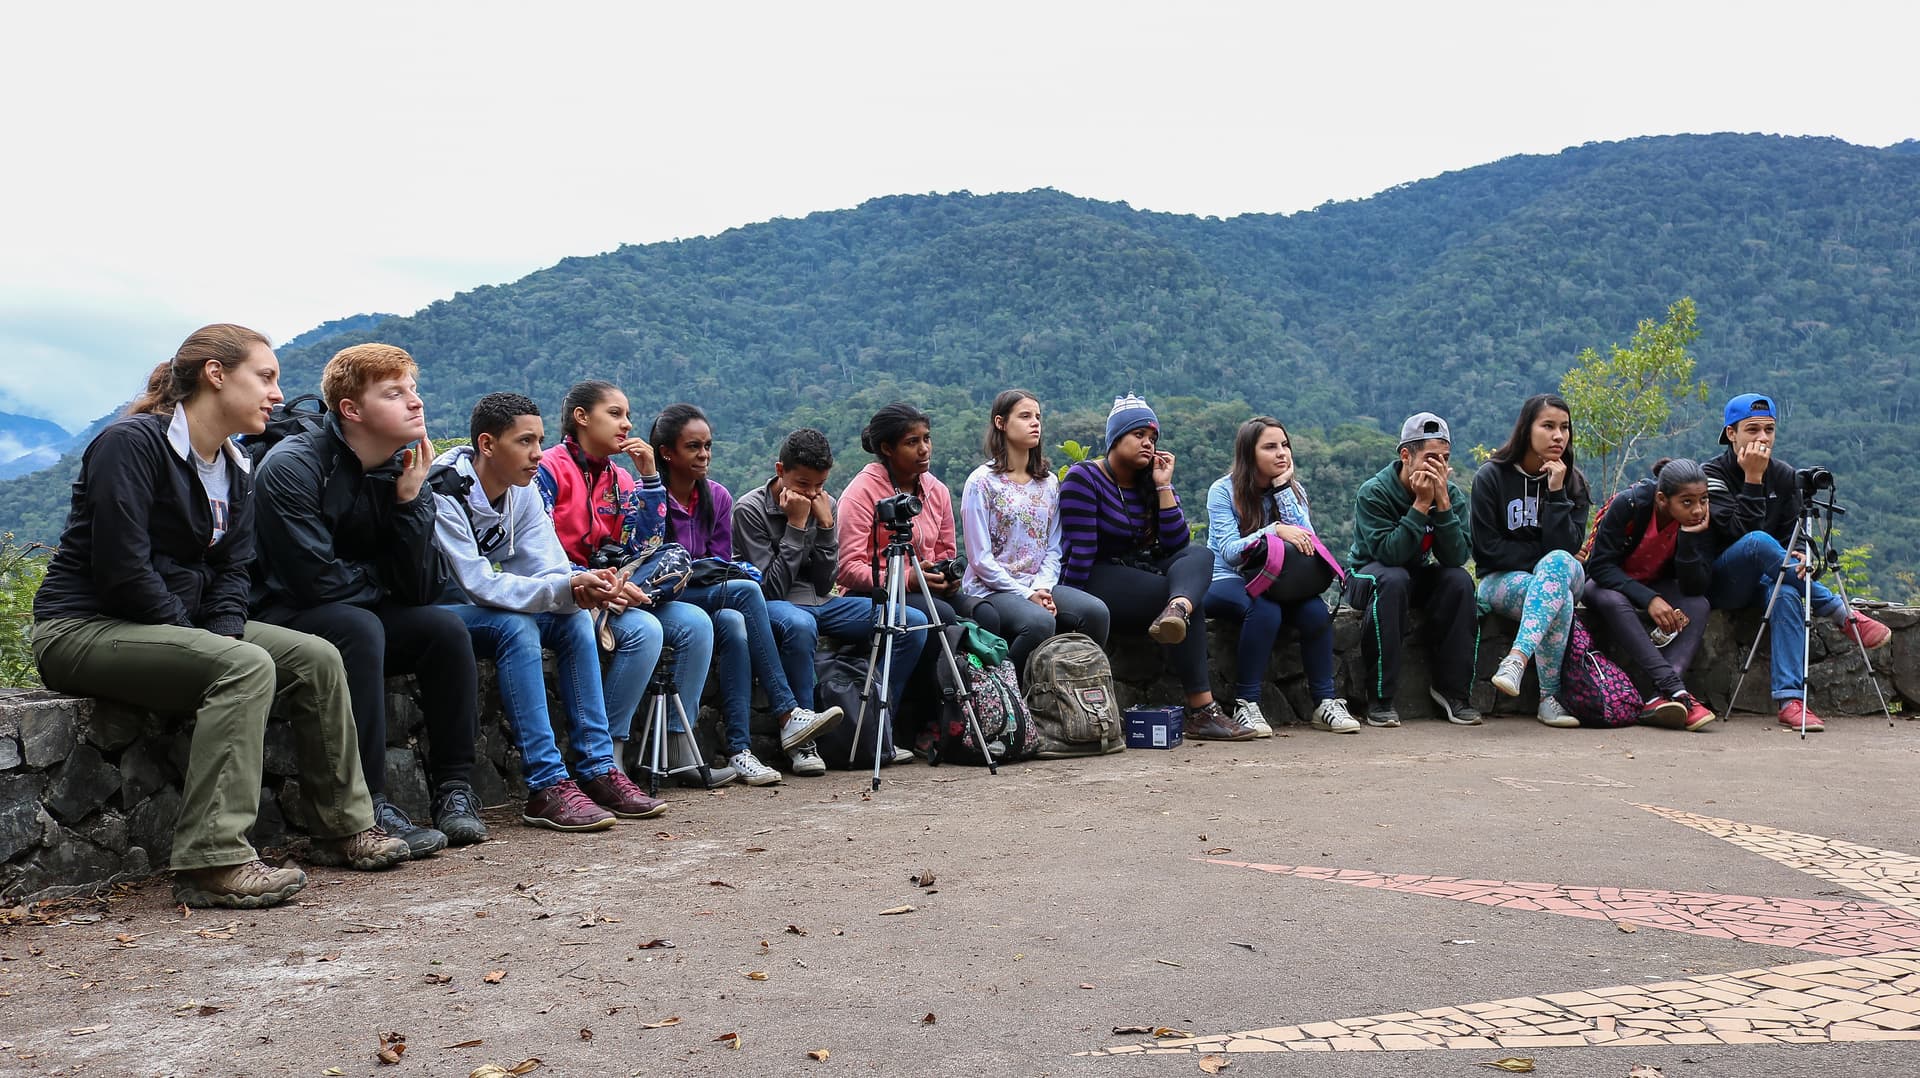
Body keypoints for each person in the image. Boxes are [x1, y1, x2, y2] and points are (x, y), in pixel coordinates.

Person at [33, 325, 408, 909]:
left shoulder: (234, 468)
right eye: (265, 377)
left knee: (316, 656)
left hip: (171, 625)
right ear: (215, 374)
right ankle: (216, 859)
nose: (278, 395)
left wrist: (221, 636)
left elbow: (235, 571)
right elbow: (122, 568)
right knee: (244, 667)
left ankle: (342, 827)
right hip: (85, 627)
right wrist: (203, 645)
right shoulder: (131, 444)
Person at [252, 343, 485, 856]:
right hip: (279, 613)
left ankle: (454, 790)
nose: (415, 402)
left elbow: (424, 589)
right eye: (394, 393)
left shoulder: (406, 471)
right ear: (351, 410)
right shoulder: (293, 466)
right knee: (360, 627)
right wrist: (381, 583)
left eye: (414, 390)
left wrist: (408, 503)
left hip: (351, 606)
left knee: (443, 629)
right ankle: (367, 806)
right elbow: (314, 582)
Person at [432, 393, 667, 829]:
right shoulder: (445, 489)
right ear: (487, 444)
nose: (538, 453)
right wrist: (565, 586)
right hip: (440, 612)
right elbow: (476, 582)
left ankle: (597, 769)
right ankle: (546, 784)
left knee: (574, 618)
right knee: (516, 630)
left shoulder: (519, 489)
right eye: (525, 442)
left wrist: (580, 589)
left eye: (539, 441)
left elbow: (549, 566)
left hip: (487, 605)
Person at [535, 381, 727, 785]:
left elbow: (646, 546)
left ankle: (679, 744)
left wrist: (650, 478)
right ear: (581, 418)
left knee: (695, 622)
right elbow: (541, 547)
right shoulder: (549, 468)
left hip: (617, 589)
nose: (627, 424)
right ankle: (608, 754)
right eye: (615, 414)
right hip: (570, 589)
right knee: (645, 631)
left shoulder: (620, 478)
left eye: (627, 415)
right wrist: (591, 581)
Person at [650, 403, 842, 784]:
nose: (704, 454)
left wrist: (823, 529)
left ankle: (740, 750)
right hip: (665, 598)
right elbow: (652, 561)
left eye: (707, 446)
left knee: (736, 625)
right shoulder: (651, 496)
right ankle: (788, 714)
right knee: (746, 593)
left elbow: (722, 564)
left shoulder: (716, 497)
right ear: (667, 452)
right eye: (693, 447)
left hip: (706, 595)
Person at [1058, 394, 1251, 741]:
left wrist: (1163, 485)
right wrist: (1068, 611)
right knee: (1188, 598)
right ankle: (1202, 710)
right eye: (1138, 435)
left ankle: (1178, 607)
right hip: (1095, 577)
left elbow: (1176, 544)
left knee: (1199, 556)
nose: (1148, 443)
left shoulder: (1149, 481)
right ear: (1115, 439)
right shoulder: (1082, 478)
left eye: (1153, 437)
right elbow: (1081, 550)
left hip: (1143, 573)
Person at [734, 428, 927, 770]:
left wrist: (825, 529)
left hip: (823, 602)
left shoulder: (828, 505)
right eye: (802, 484)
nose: (811, 494)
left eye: (818, 486)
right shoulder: (749, 510)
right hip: (778, 604)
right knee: (800, 624)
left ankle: (875, 725)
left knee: (908, 622)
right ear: (780, 471)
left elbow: (826, 583)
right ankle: (803, 742)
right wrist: (796, 525)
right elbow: (770, 589)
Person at [1702, 392, 1889, 732]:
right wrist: (1753, 480)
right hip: (1723, 579)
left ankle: (1791, 702)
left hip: (1772, 580)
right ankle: (1837, 611)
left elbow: (1796, 532)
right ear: (1732, 433)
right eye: (1752, 429)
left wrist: (1802, 552)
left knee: (1787, 595)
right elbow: (1734, 534)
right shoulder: (1710, 475)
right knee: (1758, 542)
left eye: (1769, 430)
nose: (1762, 438)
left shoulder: (1785, 476)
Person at [1205, 418, 1357, 735]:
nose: (1282, 453)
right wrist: (1273, 531)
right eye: (1270, 447)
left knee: (1316, 611)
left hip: (1277, 580)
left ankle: (1325, 702)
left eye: (1285, 445)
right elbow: (1231, 552)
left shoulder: (1291, 489)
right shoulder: (1222, 491)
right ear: (1249, 453)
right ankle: (1246, 703)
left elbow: (1309, 544)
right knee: (1264, 609)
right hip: (1225, 578)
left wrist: (1283, 491)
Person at [957, 390, 1110, 674]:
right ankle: (1010, 694)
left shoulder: (1049, 483)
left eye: (1038, 417)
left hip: (1038, 583)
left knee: (1095, 613)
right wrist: (1026, 594)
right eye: (1025, 416)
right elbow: (979, 559)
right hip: (992, 589)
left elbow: (1054, 548)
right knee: (1039, 622)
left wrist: (1041, 587)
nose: (1035, 423)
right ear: (1001, 423)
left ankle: (1072, 693)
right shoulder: (981, 483)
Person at [1346, 412, 1479, 727]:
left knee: (1459, 581)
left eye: (1444, 459)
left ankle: (1453, 693)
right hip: (1367, 574)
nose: (1439, 467)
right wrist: (1420, 505)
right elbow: (1388, 554)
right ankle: (1380, 698)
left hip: (1412, 575)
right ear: (1406, 456)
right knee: (1393, 579)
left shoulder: (1451, 494)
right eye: (1430, 458)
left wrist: (1443, 506)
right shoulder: (1375, 492)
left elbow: (1456, 556)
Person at [1470, 393, 1594, 728]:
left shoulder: (1572, 482)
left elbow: (1567, 547)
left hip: (1559, 573)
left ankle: (1517, 658)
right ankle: (1548, 699)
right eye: (1548, 426)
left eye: (1565, 428)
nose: (1559, 436)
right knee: (1559, 595)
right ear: (1527, 429)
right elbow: (1486, 549)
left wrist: (1555, 493)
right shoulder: (1491, 477)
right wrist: (1543, 563)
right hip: (1501, 581)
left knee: (1556, 563)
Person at [1580, 458, 1717, 732]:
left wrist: (1690, 537)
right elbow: (1600, 566)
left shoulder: (1695, 522)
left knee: (1698, 605)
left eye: (1704, 500)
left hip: (1653, 584)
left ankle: (1661, 697)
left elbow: (1694, 587)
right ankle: (1675, 688)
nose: (1698, 510)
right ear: (1662, 499)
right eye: (1687, 502)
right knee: (1612, 600)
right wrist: (1649, 599)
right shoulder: (1630, 505)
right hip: (1607, 584)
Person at [835, 402, 970, 628]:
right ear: (888, 449)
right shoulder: (861, 493)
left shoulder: (937, 491)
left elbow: (944, 552)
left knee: (986, 615)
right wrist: (906, 579)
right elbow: (846, 568)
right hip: (871, 593)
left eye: (926, 439)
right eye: (912, 442)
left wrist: (946, 577)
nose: (924, 449)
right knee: (942, 615)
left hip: (923, 587)